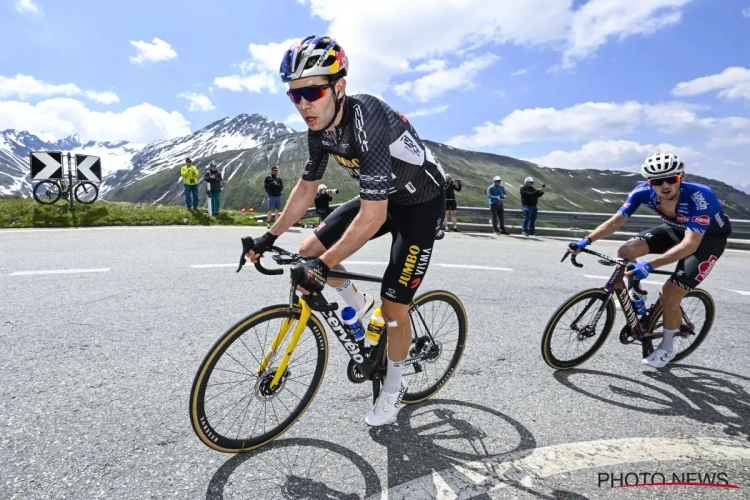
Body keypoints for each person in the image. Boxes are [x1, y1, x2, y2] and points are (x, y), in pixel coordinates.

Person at [246, 35, 446, 427]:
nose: (303, 104)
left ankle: (394, 386)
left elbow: (371, 218)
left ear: (339, 87)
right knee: (307, 250)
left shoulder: (367, 118)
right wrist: (269, 237)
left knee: (393, 310)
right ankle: (358, 305)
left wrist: (323, 264)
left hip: (420, 204)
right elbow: (306, 189)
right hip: (383, 199)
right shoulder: (318, 128)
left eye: (313, 91)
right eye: (294, 96)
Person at [568, 153, 731, 368]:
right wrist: (586, 240)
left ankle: (667, 347)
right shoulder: (642, 192)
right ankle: (636, 294)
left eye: (671, 179)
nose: (664, 186)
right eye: (657, 181)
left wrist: (650, 265)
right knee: (626, 250)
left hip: (706, 241)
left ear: (681, 176)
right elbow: (616, 222)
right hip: (674, 230)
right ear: (648, 182)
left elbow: (691, 244)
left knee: (669, 294)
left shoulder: (700, 196)